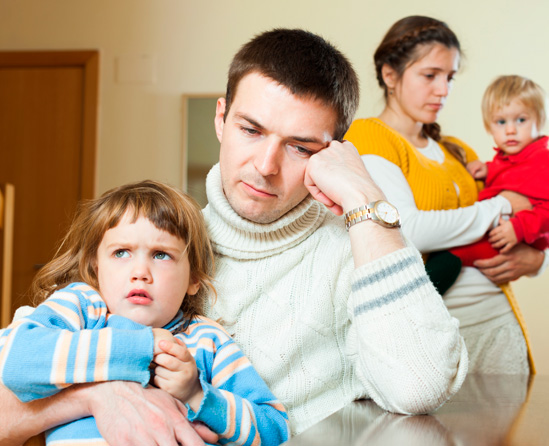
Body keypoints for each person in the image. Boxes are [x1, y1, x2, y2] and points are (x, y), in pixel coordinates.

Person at [0, 28, 468, 445]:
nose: (266, 166)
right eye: (250, 129)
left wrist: (366, 199)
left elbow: (420, 386)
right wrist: (100, 397)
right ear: (221, 119)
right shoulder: (156, 246)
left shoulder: (357, 252)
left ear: (332, 153)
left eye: (299, 146)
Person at [0, 180, 289, 446]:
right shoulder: (82, 307)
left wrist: (198, 395)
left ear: (193, 279)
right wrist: (141, 347)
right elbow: (14, 360)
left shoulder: (207, 339)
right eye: (121, 252)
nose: (140, 273)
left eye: (161, 255)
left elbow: (276, 429)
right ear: (95, 266)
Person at [345, 16, 544, 375]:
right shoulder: (370, 137)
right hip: (435, 337)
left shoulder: (458, 151)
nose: (443, 90)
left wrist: (537, 261)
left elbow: (529, 210)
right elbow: (411, 230)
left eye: (449, 77)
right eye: (430, 75)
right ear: (390, 75)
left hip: (500, 325)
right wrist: (500, 204)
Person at [426, 75, 549, 291]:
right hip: (502, 231)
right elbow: (512, 176)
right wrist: (488, 169)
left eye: (521, 120)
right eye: (501, 122)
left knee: (453, 255)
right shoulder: (510, 157)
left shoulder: (542, 160)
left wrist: (519, 227)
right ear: (489, 126)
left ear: (539, 120)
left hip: (515, 237)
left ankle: (420, 297)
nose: (510, 130)